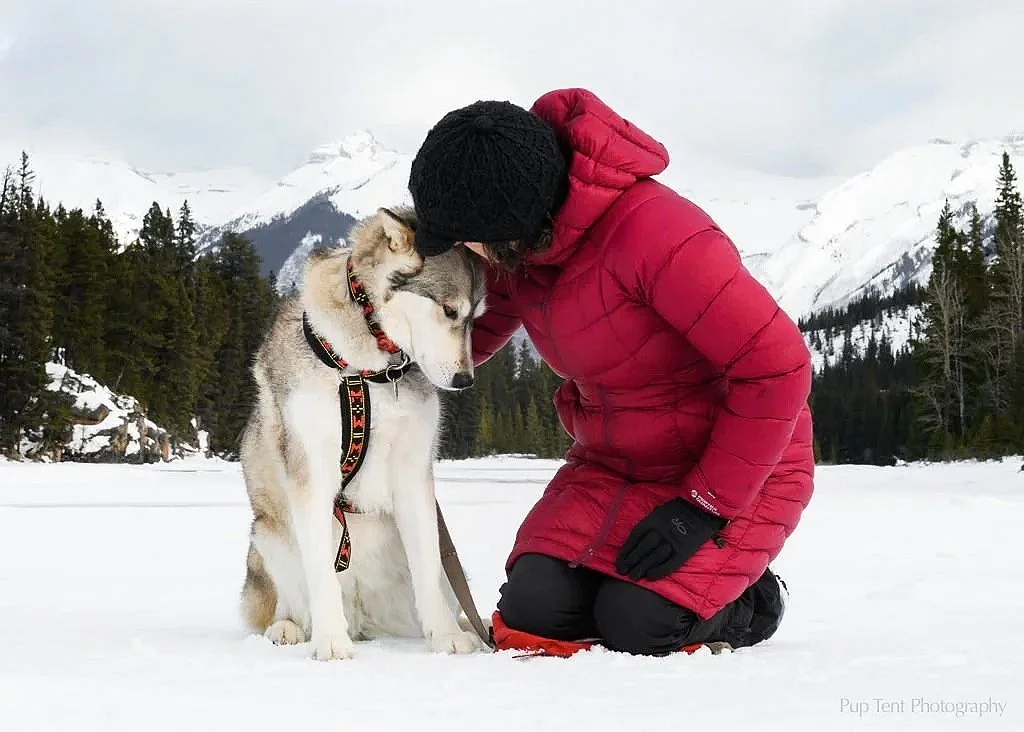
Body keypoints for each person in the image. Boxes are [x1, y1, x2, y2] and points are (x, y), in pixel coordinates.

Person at [406, 88, 815, 657]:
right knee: (535, 614)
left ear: (511, 225)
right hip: (614, 462)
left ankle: (752, 599)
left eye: (466, 239)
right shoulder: (517, 250)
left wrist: (702, 507)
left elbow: (778, 368)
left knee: (641, 626)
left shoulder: (659, 235)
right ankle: (649, 587)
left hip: (737, 467)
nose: (463, 252)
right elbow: (469, 332)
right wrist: (390, 359)